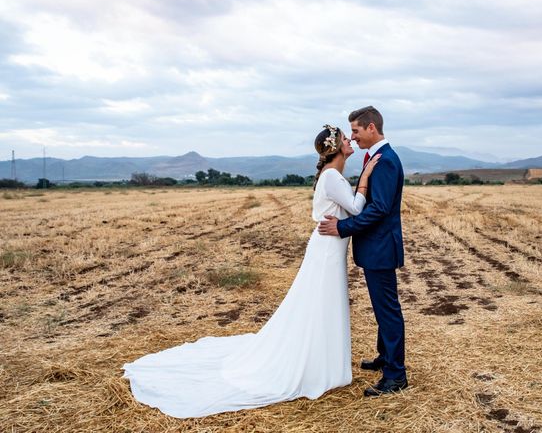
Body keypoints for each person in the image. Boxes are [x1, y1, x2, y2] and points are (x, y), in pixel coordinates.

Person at [122, 125, 380, 418]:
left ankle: (323, 360)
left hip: (330, 249)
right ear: (335, 147)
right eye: (346, 139)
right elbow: (358, 210)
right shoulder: (333, 176)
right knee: (319, 304)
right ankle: (317, 364)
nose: (351, 141)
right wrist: (366, 178)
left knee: (320, 305)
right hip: (327, 253)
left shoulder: (333, 176)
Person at [318, 106, 407, 396]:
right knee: (384, 310)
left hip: (380, 247)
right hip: (375, 247)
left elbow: (379, 209)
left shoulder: (386, 161)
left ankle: (395, 375)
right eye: (350, 133)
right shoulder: (376, 158)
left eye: (355, 131)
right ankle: (385, 357)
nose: (353, 137)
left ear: (371, 128)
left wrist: (343, 229)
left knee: (388, 311)